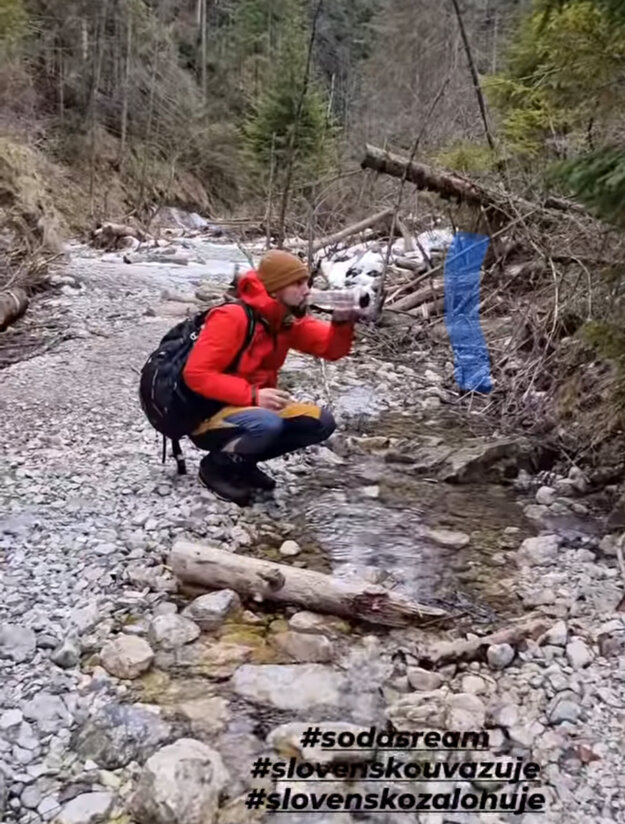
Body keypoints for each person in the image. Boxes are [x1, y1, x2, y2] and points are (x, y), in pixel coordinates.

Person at [182, 249, 358, 506]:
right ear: (275, 289)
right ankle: (215, 467)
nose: (306, 290)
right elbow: (196, 374)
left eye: (306, 282)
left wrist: (343, 322)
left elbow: (331, 350)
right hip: (208, 414)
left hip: (250, 409)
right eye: (297, 284)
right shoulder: (232, 317)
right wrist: (252, 395)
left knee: (320, 422)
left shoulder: (283, 320)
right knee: (267, 424)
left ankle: (243, 462)